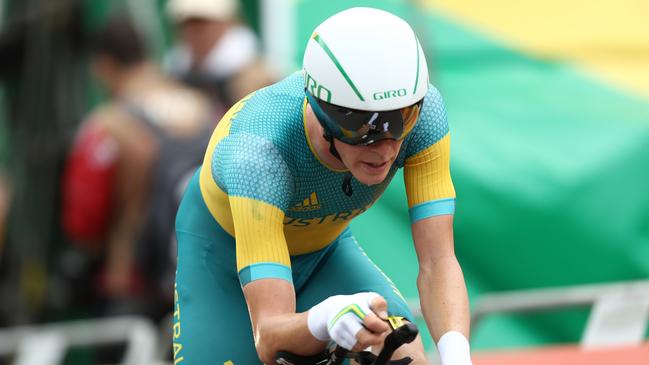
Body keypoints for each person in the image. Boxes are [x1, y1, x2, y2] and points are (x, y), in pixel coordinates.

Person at [173, 7, 472, 365]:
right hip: (222, 261)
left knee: (401, 354)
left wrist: (457, 357)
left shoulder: (427, 117)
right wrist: (324, 318)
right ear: (322, 110)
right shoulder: (260, 153)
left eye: (401, 120)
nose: (386, 148)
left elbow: (438, 260)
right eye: (363, 128)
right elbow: (270, 337)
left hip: (324, 253)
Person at [61, 17, 213, 319]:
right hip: (208, 270)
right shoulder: (205, 107)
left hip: (137, 288)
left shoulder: (107, 125)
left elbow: (84, 224)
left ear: (103, 66)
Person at [165, 0, 277, 109]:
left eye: (202, 23)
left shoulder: (257, 75)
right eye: (187, 24)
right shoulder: (175, 72)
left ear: (227, 23)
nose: (194, 31)